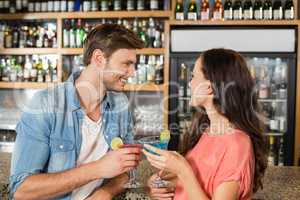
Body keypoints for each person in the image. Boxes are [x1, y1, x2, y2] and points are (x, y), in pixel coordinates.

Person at [10, 24, 145, 200]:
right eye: (126, 64)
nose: (132, 73)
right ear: (98, 58)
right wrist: (97, 169)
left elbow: (127, 169)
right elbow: (21, 190)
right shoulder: (45, 104)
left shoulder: (120, 104)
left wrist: (105, 192)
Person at [145, 48, 268, 200]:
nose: (189, 83)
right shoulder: (206, 131)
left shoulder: (237, 144)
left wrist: (183, 170)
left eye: (193, 76)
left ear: (209, 87)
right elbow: (200, 181)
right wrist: (161, 184)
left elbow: (188, 176)